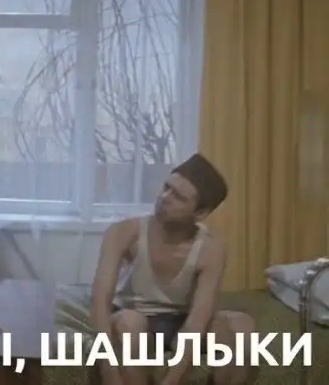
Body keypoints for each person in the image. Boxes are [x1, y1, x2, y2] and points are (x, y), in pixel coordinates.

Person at [90, 153, 255, 385]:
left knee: (241, 325)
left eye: (178, 197)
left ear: (200, 213)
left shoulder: (210, 248)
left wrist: (172, 380)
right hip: (135, 316)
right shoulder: (124, 232)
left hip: (181, 321)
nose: (164, 197)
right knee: (130, 323)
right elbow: (100, 301)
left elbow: (197, 322)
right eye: (166, 187)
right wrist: (110, 373)